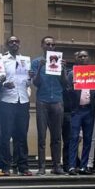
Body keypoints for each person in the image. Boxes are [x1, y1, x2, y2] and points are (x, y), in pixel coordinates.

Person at [30, 36, 68, 175]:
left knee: (57, 136)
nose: (50, 46)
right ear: (42, 45)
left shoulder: (59, 61)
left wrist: (63, 70)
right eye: (47, 44)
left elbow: (65, 83)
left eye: (52, 44)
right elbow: (36, 83)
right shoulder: (36, 62)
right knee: (41, 136)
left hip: (57, 100)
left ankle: (57, 166)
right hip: (42, 101)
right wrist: (40, 67)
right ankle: (41, 167)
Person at [0, 36, 32, 176]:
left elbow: (27, 83)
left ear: (19, 44)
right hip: (7, 101)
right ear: (7, 45)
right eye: (11, 42)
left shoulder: (25, 60)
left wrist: (30, 77)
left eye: (16, 41)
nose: (14, 43)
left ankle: (22, 166)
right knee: (6, 135)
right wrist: (3, 84)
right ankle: (5, 166)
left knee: (22, 135)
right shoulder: (1, 60)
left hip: (23, 100)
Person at [66, 50, 95, 175]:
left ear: (88, 58)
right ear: (77, 59)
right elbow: (67, 91)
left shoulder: (93, 74)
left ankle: (83, 167)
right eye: (80, 56)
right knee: (74, 138)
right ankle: (71, 166)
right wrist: (73, 87)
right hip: (77, 110)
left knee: (88, 139)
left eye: (85, 56)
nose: (82, 58)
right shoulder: (72, 74)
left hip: (89, 110)